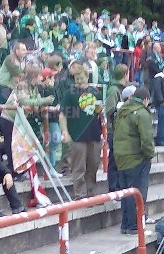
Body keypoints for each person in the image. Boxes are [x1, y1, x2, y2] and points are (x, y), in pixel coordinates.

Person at [113, 86, 155, 235]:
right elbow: (146, 139)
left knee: (126, 193)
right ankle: (134, 226)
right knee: (137, 193)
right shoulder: (142, 113)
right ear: (146, 100)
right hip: (137, 158)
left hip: (121, 157)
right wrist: (149, 155)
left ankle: (125, 224)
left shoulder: (122, 111)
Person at [59, 62, 103, 199]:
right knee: (79, 167)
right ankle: (80, 194)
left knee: (93, 165)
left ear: (87, 77)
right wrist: (65, 132)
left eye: (81, 78)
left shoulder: (95, 92)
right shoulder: (69, 94)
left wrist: (100, 108)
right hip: (77, 135)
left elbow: (99, 112)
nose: (79, 81)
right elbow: (62, 114)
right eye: (77, 79)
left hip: (94, 134)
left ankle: (90, 192)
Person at [104, 64, 129, 192]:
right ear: (125, 74)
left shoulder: (122, 89)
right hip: (114, 130)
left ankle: (119, 184)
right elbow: (110, 110)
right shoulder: (113, 90)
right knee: (114, 159)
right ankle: (113, 186)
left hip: (121, 130)